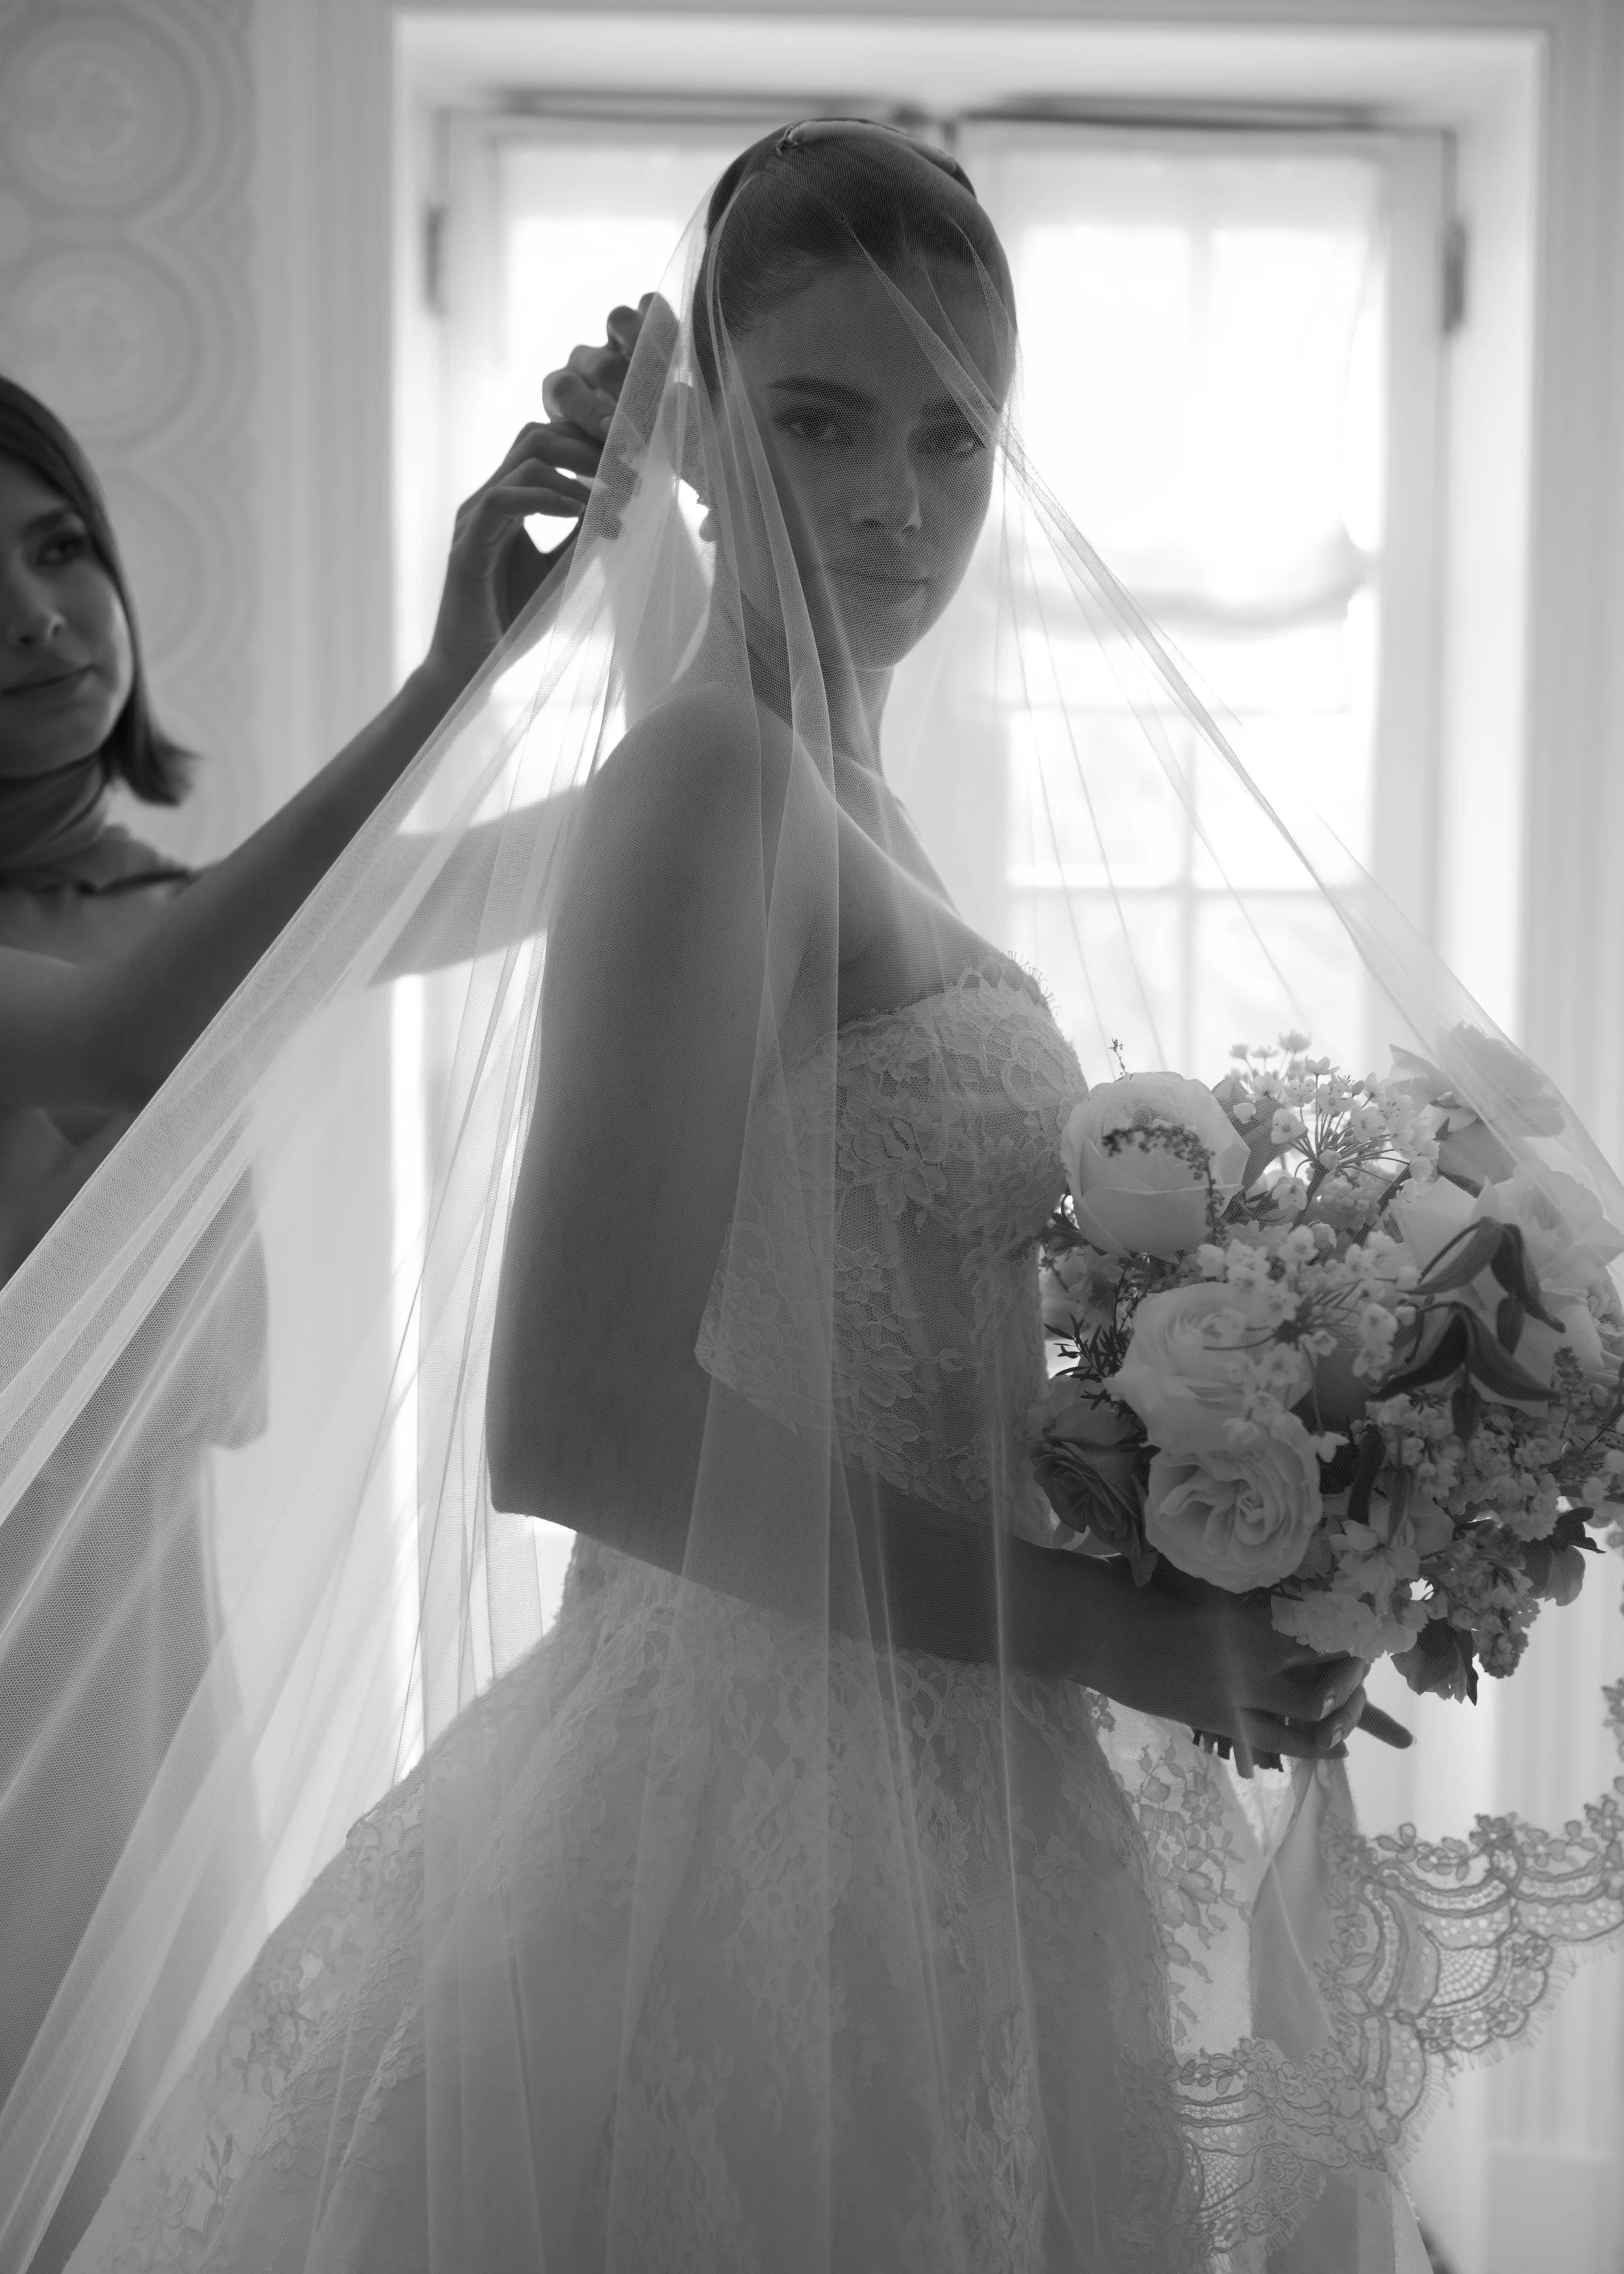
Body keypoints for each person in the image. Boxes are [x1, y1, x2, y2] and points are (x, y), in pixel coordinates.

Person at [4, 121, 1618, 2272]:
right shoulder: (709, 776)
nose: (891, 502)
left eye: (950, 437)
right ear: (701, 438)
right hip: (752, 1797)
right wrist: (1119, 1630)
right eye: (820, 421)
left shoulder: (838, 788)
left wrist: (1245, 1468)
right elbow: (574, 1421)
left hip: (949, 1762)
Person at [0, 387, 596, 2271]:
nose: (38, 616)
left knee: (125, 2168)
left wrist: (704, 568)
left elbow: (570, 856)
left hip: (144, 1639)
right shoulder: (175, 965)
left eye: (58, 545)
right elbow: (123, 1042)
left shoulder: (204, 920)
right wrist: (444, 686)